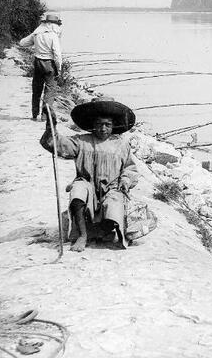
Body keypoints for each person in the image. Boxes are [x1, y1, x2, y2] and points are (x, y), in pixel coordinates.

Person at [40, 97, 138, 252]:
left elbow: (129, 168)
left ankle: (102, 231)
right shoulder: (81, 141)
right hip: (87, 184)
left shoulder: (121, 145)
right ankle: (83, 235)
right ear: (93, 125)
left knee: (114, 207)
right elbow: (56, 143)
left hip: (112, 188)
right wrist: (51, 124)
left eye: (107, 125)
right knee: (78, 190)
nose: (103, 128)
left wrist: (125, 181)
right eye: (99, 124)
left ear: (113, 126)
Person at [19, 13, 63, 121]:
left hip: (38, 62)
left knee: (37, 88)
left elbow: (22, 43)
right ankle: (45, 116)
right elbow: (57, 55)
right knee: (50, 90)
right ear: (55, 25)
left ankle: (34, 114)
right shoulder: (53, 36)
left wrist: (34, 38)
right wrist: (59, 69)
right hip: (49, 63)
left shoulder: (37, 33)